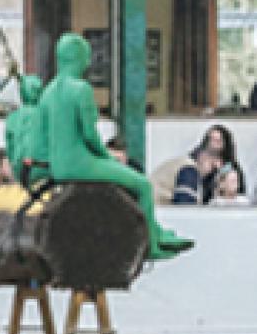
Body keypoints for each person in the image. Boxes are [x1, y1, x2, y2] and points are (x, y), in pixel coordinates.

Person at [38, 33, 191, 259]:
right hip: (79, 163)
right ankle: (152, 243)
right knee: (142, 185)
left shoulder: (47, 93)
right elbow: (89, 135)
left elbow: (44, 136)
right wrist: (106, 157)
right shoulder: (80, 89)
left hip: (58, 166)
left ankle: (157, 232)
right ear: (80, 58)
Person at [152, 147, 220, 205]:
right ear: (202, 155)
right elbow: (185, 207)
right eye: (212, 165)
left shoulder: (182, 164)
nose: (211, 171)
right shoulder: (189, 169)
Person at [194, 123, 245, 200]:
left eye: (218, 140)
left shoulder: (232, 166)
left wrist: (220, 173)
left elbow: (240, 191)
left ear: (225, 143)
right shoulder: (196, 160)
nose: (213, 144)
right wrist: (203, 174)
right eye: (211, 139)